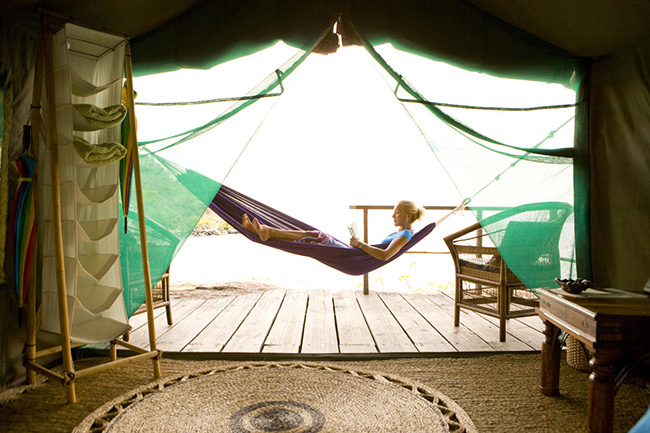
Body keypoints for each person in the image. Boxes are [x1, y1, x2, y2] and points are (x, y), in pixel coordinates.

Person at [242, 199, 465, 261]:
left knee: (317, 235)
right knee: (315, 235)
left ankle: (268, 232)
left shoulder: (405, 234)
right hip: (353, 255)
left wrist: (360, 245)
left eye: (396, 212)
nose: (392, 215)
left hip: (354, 257)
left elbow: (386, 255)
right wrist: (359, 246)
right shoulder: (403, 233)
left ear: (407, 215)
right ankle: (267, 231)